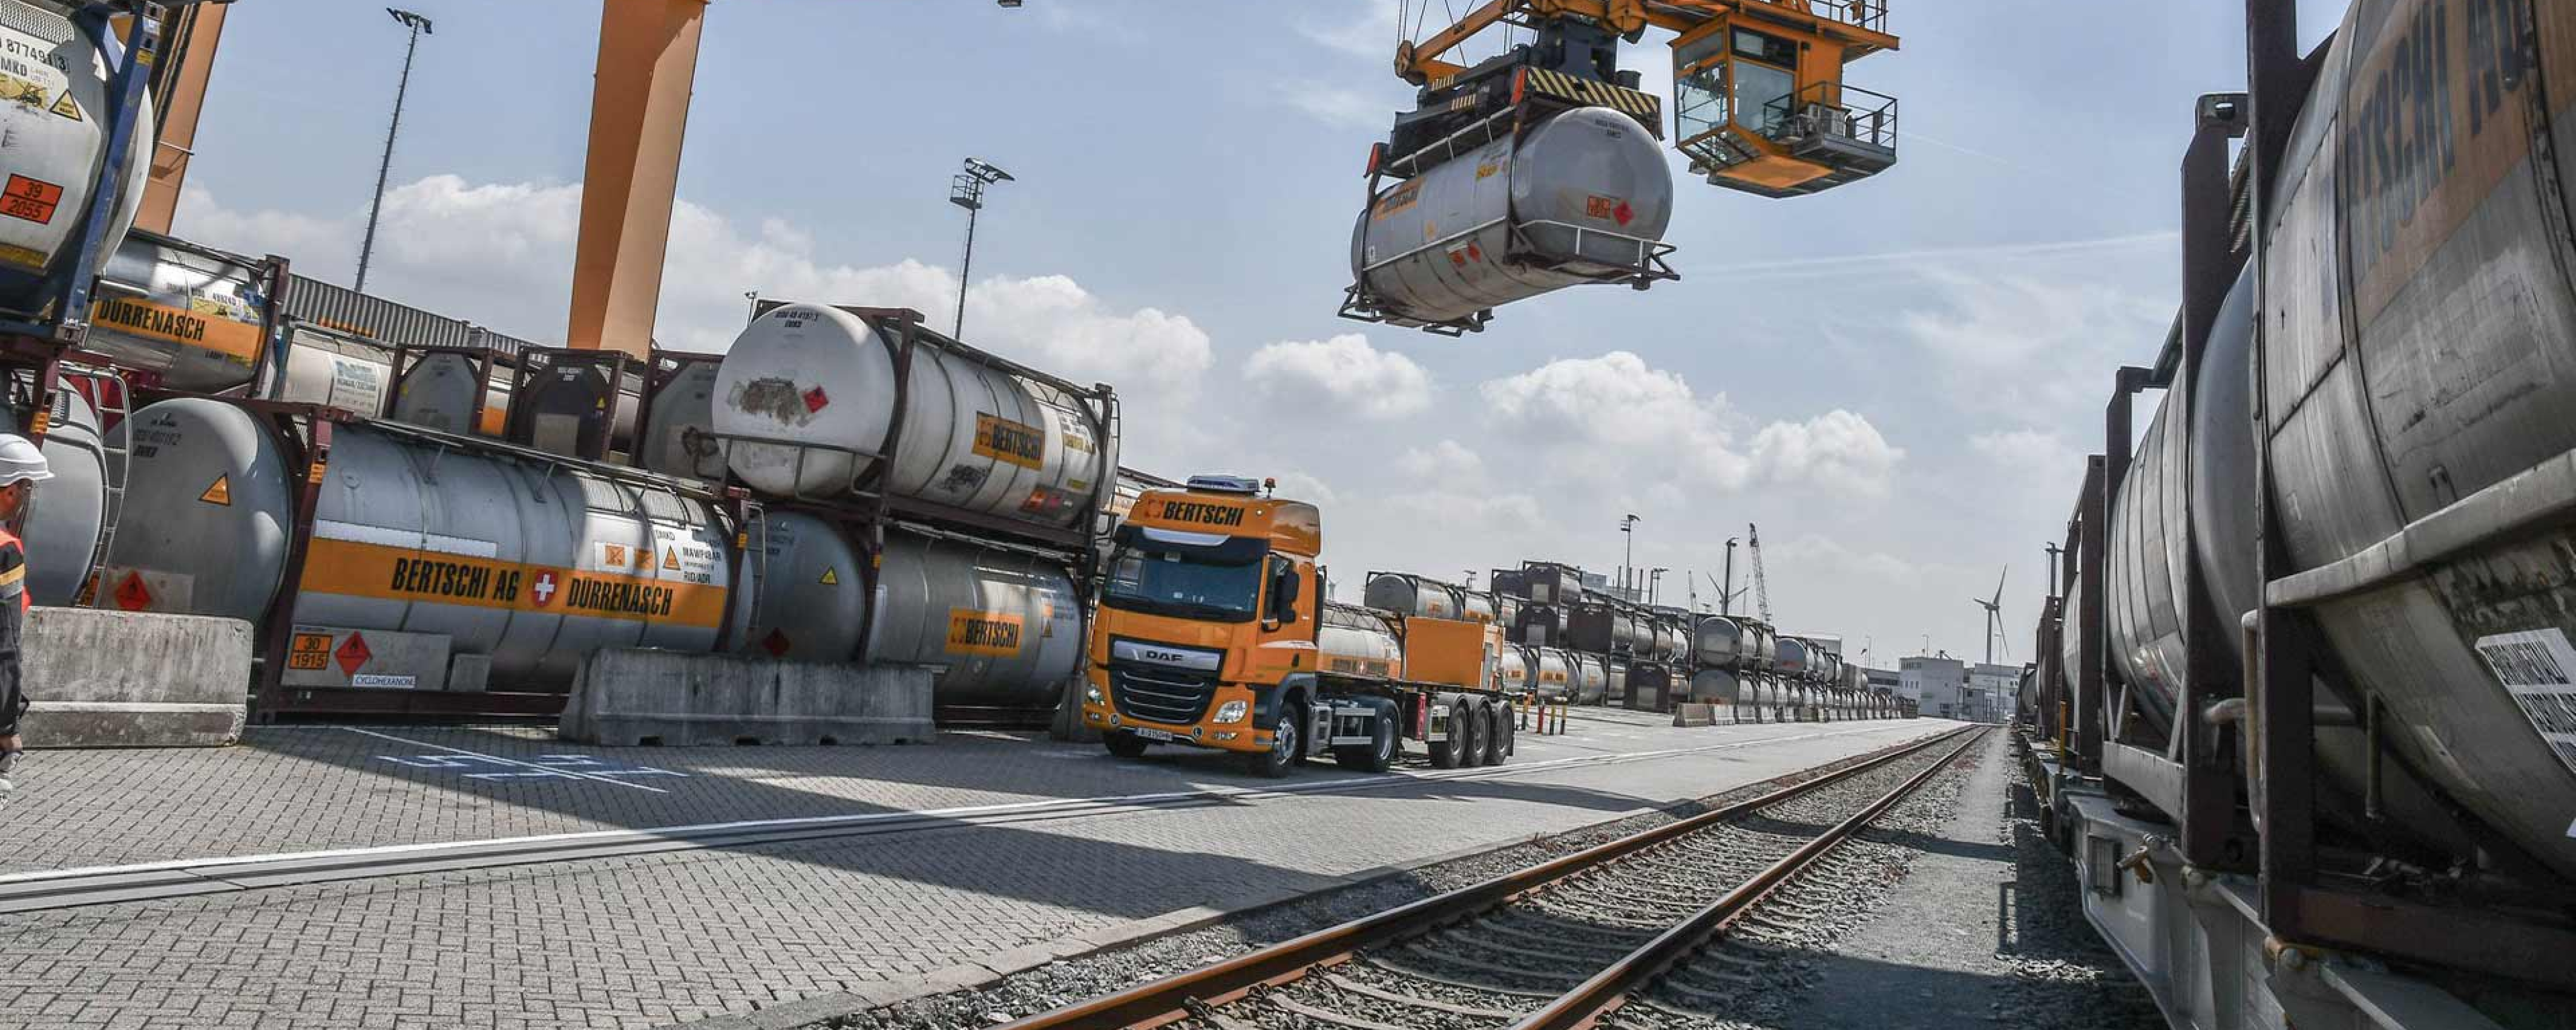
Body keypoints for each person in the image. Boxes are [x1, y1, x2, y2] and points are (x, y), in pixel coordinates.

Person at [0, 433, 49, 791]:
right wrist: (8, 728)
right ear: (10, 490)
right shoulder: (5, 551)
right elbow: (6, 646)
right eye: (27, 488)